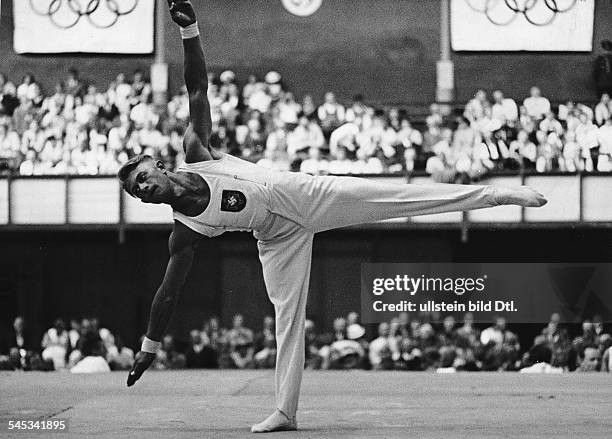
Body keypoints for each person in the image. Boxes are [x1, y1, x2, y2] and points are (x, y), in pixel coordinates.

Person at [123, 0, 547, 433]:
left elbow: (197, 88)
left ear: (157, 164)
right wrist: (149, 346)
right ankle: (285, 412)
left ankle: (492, 195)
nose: (143, 187)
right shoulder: (185, 233)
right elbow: (168, 293)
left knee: (387, 194)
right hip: (274, 237)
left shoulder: (197, 153)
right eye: (137, 190)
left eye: (142, 177)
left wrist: (189, 31)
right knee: (287, 318)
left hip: (295, 193)